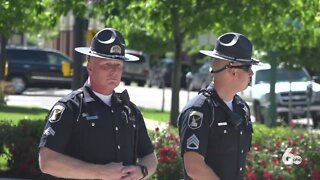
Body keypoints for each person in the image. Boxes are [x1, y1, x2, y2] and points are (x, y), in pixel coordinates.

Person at [39, 28, 157, 180]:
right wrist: (99, 172)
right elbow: (47, 162)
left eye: (118, 65)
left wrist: (142, 171)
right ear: (90, 67)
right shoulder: (71, 108)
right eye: (107, 65)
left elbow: (149, 156)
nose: (114, 71)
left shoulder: (129, 110)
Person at [178, 32, 260, 180]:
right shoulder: (200, 110)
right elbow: (194, 167)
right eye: (248, 67)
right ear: (232, 70)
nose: (251, 73)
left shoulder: (241, 108)